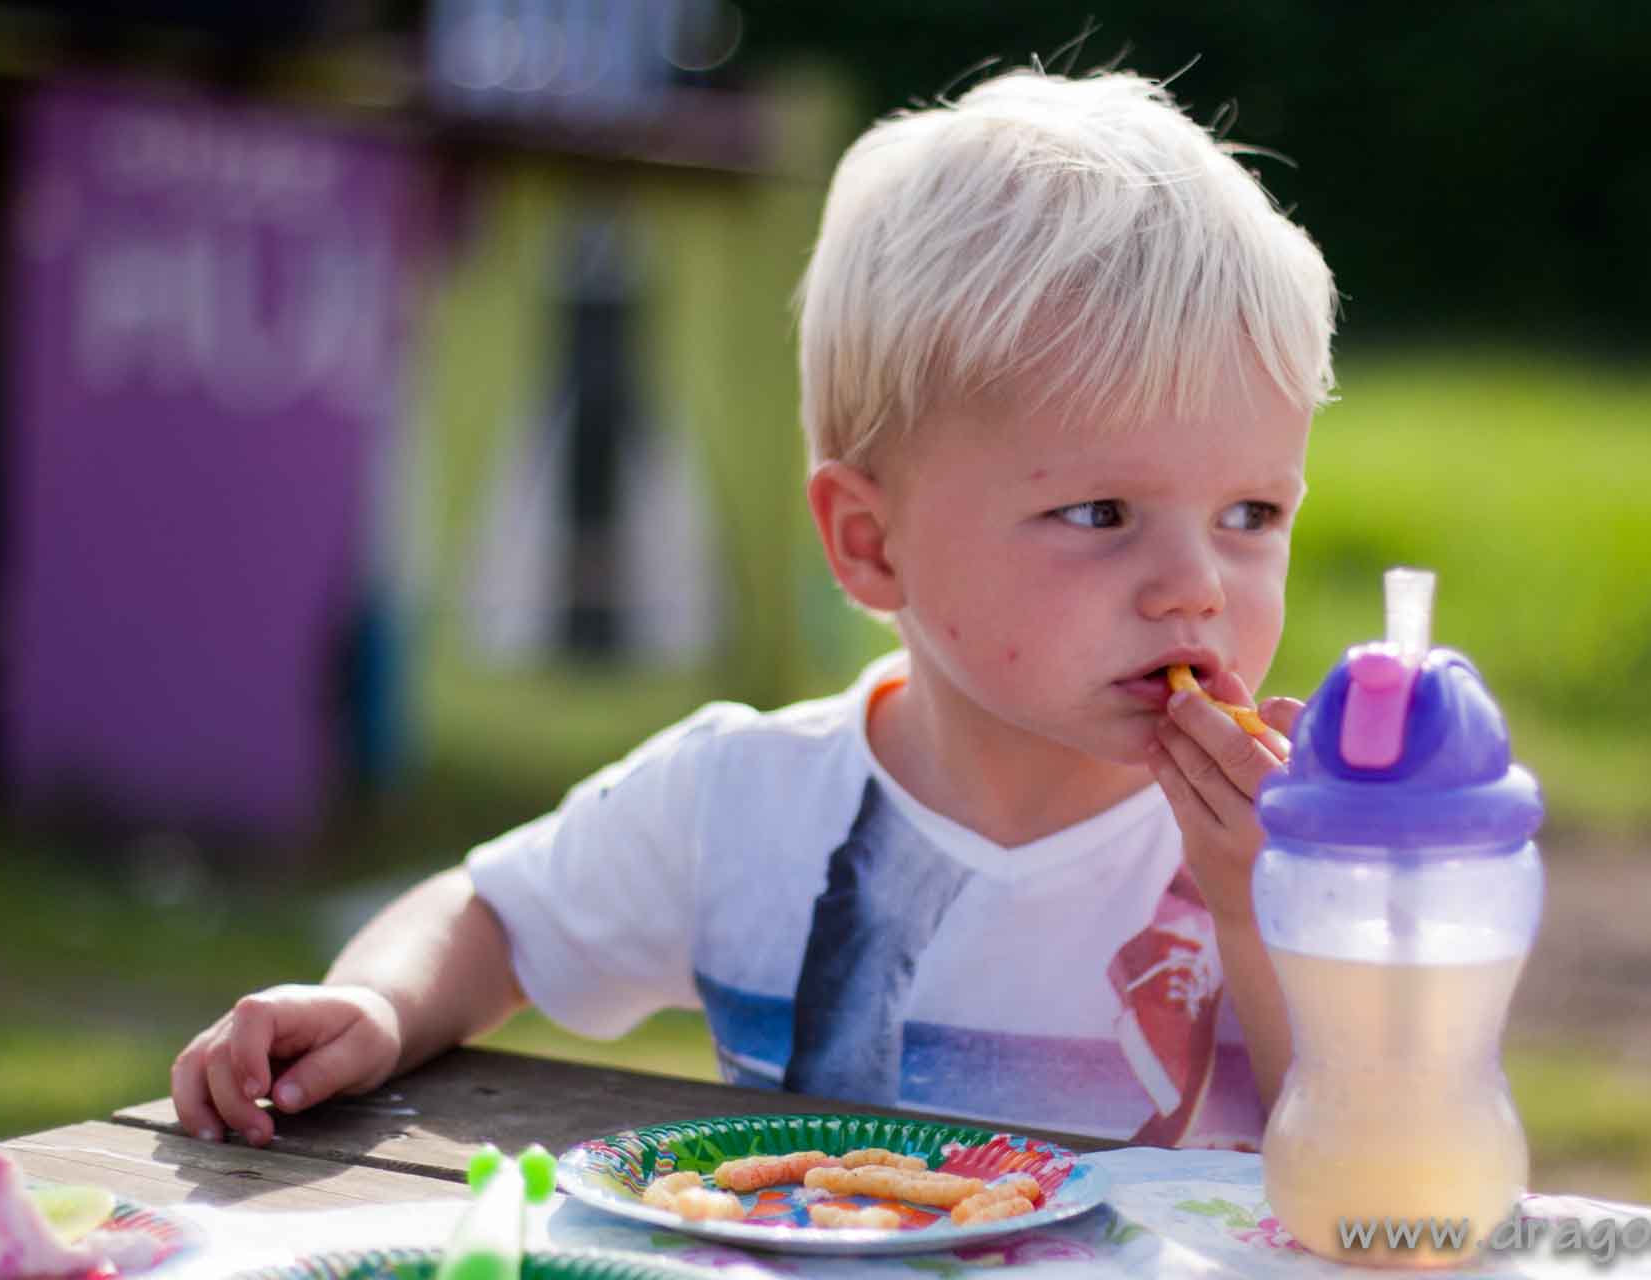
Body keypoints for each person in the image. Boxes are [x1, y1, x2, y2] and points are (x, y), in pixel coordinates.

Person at [172, 64, 1337, 1151]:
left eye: (1250, 513)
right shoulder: (743, 803)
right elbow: (491, 914)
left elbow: (1381, 1168)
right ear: (871, 544)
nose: (1196, 583)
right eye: (1100, 513)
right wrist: (375, 1002)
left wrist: (1258, 908)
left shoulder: (1307, 852)